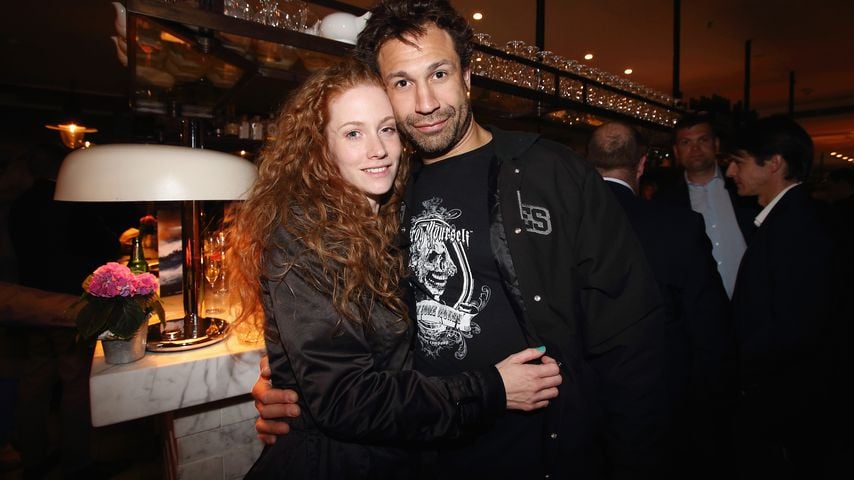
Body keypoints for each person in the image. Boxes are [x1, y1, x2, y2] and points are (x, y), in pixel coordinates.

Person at [253, 2, 668, 479]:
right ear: (384, 93)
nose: (425, 101)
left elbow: (631, 336)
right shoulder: (385, 188)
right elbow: (351, 339)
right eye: (402, 83)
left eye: (439, 73)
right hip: (427, 457)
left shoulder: (551, 173)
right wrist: (291, 379)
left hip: (542, 454)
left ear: (467, 76)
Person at [230, 59, 561, 479]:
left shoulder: (387, 217)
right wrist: (493, 389)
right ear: (319, 147)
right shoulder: (305, 238)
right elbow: (346, 399)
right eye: (353, 133)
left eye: (386, 129)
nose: (378, 149)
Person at [587, 122, 738, 479]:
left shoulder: (556, 226)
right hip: (661, 393)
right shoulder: (678, 224)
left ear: (587, 165)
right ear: (641, 165)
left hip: (582, 401)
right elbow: (708, 322)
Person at [725, 115, 842, 478]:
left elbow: (796, 327)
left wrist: (749, 384)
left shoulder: (796, 227)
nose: (730, 172)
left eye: (739, 162)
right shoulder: (793, 217)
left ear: (774, 163)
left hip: (787, 401)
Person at [654, 113, 758, 297]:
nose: (695, 149)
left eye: (703, 140)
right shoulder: (665, 199)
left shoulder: (743, 187)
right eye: (686, 142)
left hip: (752, 296)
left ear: (716, 144)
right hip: (697, 302)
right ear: (676, 151)